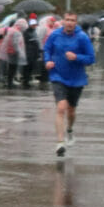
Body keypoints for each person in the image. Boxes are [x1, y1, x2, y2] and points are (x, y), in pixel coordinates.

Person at [43, 12, 96, 157]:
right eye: (67, 20)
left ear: (76, 22)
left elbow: (91, 58)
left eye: (72, 20)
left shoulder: (82, 37)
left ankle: (70, 130)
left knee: (71, 111)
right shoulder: (55, 35)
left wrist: (77, 57)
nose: (69, 23)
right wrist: (47, 61)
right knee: (61, 107)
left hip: (76, 79)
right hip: (58, 76)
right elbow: (47, 49)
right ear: (63, 21)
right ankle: (60, 143)